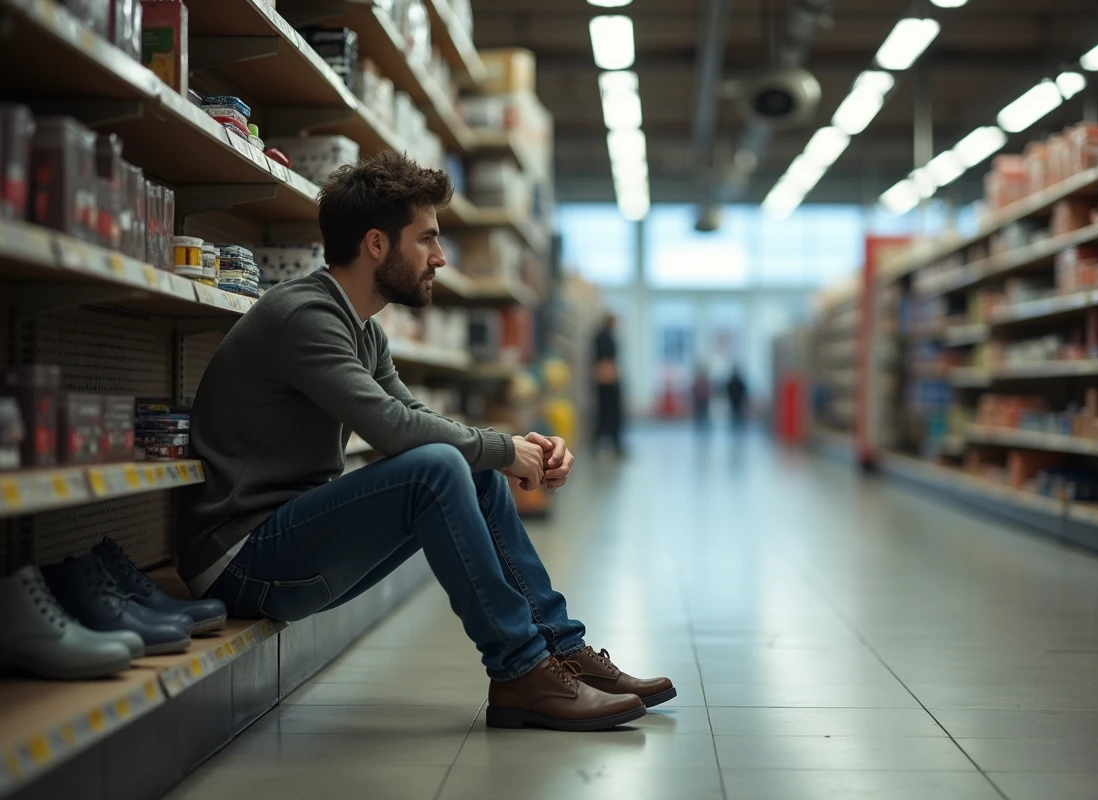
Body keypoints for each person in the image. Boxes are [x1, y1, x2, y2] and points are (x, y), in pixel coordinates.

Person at [177, 152, 674, 732]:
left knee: (471, 468)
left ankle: (558, 649)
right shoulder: (303, 316)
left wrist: (509, 450)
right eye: (428, 240)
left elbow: (411, 416)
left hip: (286, 542)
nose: (440, 257)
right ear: (377, 245)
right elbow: (392, 430)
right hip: (240, 559)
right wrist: (504, 447)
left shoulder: (362, 327)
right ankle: (519, 671)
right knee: (442, 465)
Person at [592, 313, 624, 455]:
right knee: (609, 412)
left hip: (606, 377)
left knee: (607, 413)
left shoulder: (603, 336)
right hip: (607, 378)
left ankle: (608, 442)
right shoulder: (603, 337)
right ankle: (610, 443)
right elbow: (604, 360)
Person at [727, 366, 748, 430]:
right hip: (733, 401)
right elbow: (728, 390)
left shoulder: (739, 382)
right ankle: (735, 428)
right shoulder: (732, 381)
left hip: (738, 401)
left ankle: (738, 428)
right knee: (734, 416)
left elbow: (743, 391)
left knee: (738, 416)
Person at [691, 366, 711, 430]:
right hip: (699, 402)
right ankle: (699, 427)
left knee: (704, 416)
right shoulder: (698, 382)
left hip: (704, 402)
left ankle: (705, 427)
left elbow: (709, 391)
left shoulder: (705, 382)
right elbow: (694, 391)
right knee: (699, 416)